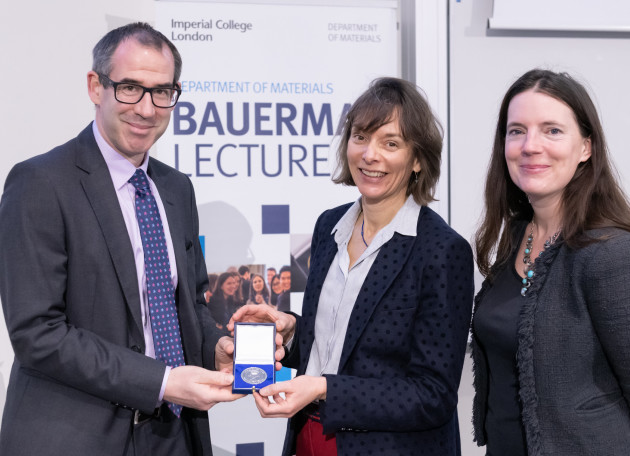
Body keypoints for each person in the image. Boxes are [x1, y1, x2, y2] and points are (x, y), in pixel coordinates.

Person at [0, 22, 243, 456]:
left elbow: (187, 305)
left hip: (174, 434)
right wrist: (162, 381)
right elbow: (37, 332)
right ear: (96, 86)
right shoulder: (39, 182)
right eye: (130, 87)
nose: (147, 109)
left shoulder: (176, 189)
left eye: (161, 92)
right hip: (76, 437)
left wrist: (217, 348)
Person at [230, 77, 474, 455]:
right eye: (360, 137)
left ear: (418, 159)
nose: (369, 155)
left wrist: (324, 387)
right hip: (306, 438)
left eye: (390, 143)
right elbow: (336, 344)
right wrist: (292, 331)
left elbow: (433, 394)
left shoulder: (442, 250)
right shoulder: (329, 226)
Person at [471, 69, 630, 455]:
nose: (530, 145)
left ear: (586, 148)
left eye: (552, 131)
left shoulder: (609, 252)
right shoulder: (515, 236)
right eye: (517, 131)